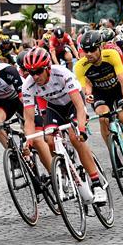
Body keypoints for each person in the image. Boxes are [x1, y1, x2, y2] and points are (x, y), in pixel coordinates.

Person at [19, 47, 106, 206]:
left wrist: (81, 130)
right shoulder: (28, 86)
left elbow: (80, 107)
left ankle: (97, 184)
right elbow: (29, 120)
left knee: (75, 138)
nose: (36, 76)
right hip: (54, 107)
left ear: (47, 67)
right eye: (31, 73)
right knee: (49, 139)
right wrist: (28, 142)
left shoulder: (62, 74)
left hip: (72, 103)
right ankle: (64, 171)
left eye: (38, 71)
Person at [73, 30, 123, 172]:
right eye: (86, 50)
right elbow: (82, 91)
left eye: (92, 49)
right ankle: (115, 157)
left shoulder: (112, 54)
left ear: (101, 47)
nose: (89, 53)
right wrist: (87, 96)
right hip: (101, 93)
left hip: (117, 89)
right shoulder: (80, 66)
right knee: (103, 118)